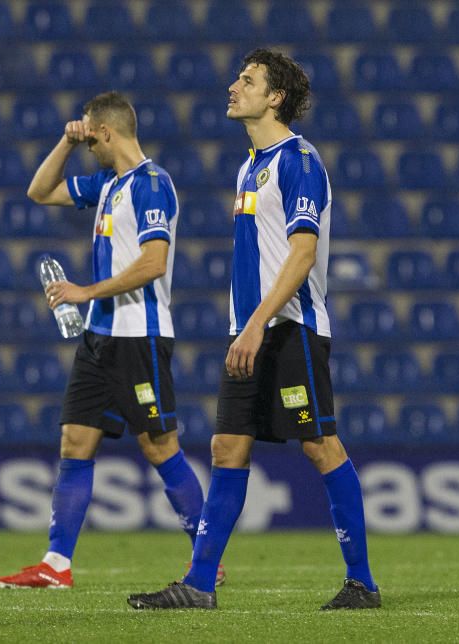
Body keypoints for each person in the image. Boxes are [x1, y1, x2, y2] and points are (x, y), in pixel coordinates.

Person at [128, 49, 380, 611]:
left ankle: (362, 583)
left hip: (290, 330)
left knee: (319, 446)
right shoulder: (248, 167)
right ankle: (198, 583)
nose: (233, 85)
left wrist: (258, 324)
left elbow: (304, 252)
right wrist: (245, 327)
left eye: (248, 80)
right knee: (227, 446)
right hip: (249, 332)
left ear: (276, 97)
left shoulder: (300, 160)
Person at [0, 91, 216, 589]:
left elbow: (154, 262)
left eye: (92, 137)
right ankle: (56, 565)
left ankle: (209, 558)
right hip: (99, 337)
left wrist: (84, 291)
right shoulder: (107, 185)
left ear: (109, 133)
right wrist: (66, 141)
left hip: (140, 337)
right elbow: (39, 190)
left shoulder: (152, 184)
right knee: (75, 440)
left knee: (159, 446)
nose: (90, 145)